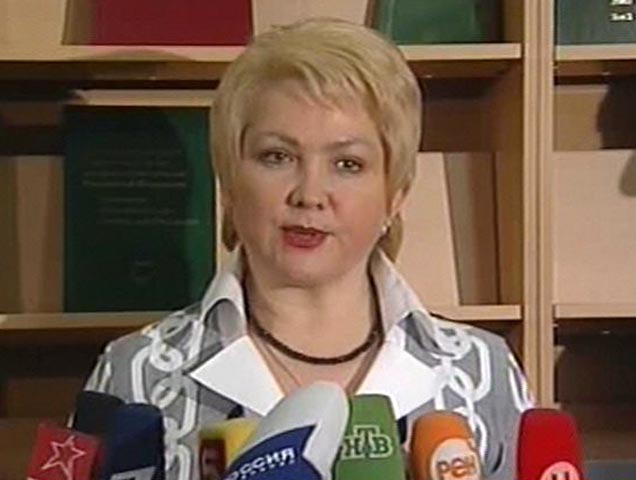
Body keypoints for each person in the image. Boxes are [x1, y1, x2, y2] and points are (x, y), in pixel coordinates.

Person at [84, 18, 533, 480]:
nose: (310, 194)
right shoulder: (137, 372)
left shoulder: (481, 371)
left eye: (347, 164)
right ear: (230, 181)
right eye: (277, 157)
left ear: (395, 193)